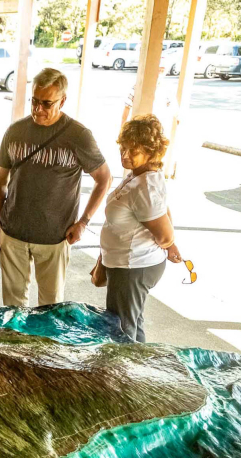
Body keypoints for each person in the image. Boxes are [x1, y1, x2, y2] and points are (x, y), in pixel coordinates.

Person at [0, 68, 112, 307]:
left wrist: (84, 222)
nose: (38, 109)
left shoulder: (78, 135)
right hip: (12, 232)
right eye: (34, 101)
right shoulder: (15, 131)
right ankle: (15, 345)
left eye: (46, 103)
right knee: (12, 306)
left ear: (62, 101)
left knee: (51, 306)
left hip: (55, 236)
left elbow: (104, 179)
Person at [100, 114, 184, 342]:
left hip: (133, 266)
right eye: (123, 149)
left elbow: (164, 234)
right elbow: (162, 209)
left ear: (151, 152)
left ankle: (124, 374)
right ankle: (137, 369)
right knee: (132, 323)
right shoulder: (139, 175)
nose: (125, 156)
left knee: (122, 330)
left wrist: (170, 245)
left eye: (133, 151)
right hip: (127, 264)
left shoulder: (145, 186)